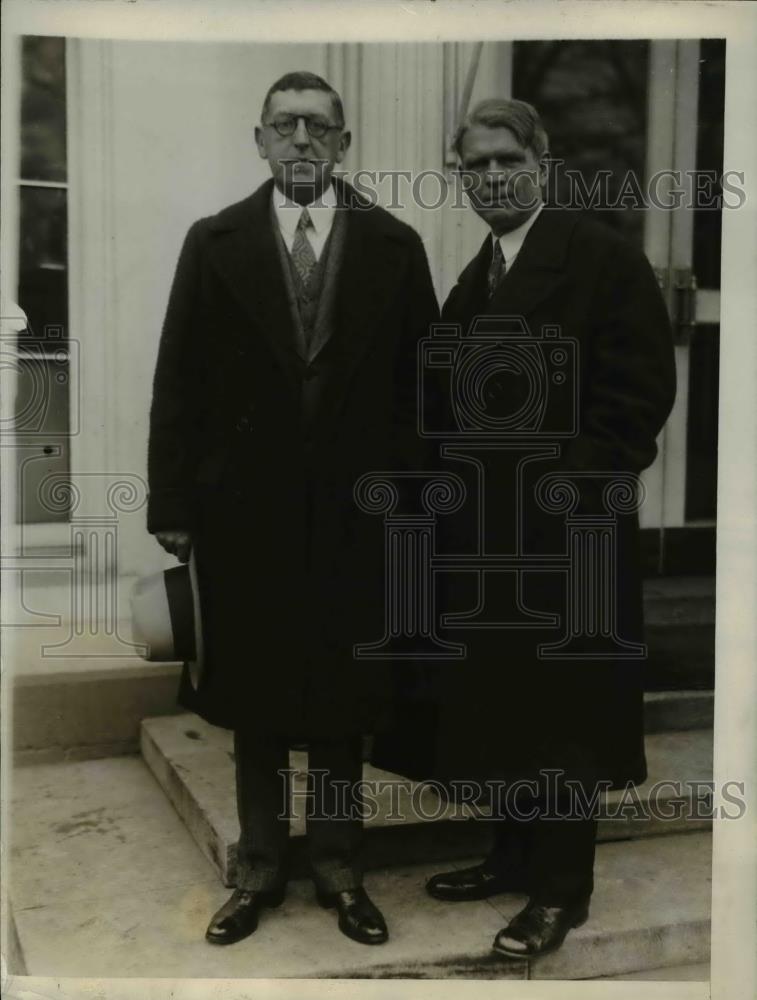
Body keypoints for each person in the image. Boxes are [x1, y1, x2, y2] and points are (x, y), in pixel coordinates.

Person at [374, 97, 676, 960]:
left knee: (565, 719)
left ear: (542, 164)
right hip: (485, 540)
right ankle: (510, 855)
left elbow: (635, 402)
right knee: (503, 705)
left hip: (566, 539)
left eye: (508, 160)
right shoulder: (477, 275)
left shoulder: (600, 259)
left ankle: (560, 890)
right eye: (476, 165)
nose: (493, 177)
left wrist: (562, 491)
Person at [146, 71, 439, 947]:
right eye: (285, 125)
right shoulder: (214, 241)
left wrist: (415, 506)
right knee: (259, 695)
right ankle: (260, 867)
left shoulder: (394, 244)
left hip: (359, 514)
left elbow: (422, 389)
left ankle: (340, 868)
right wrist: (172, 501)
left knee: (346, 694)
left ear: (344, 143)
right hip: (246, 514)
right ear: (260, 140)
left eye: (318, 126)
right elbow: (178, 379)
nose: (301, 140)